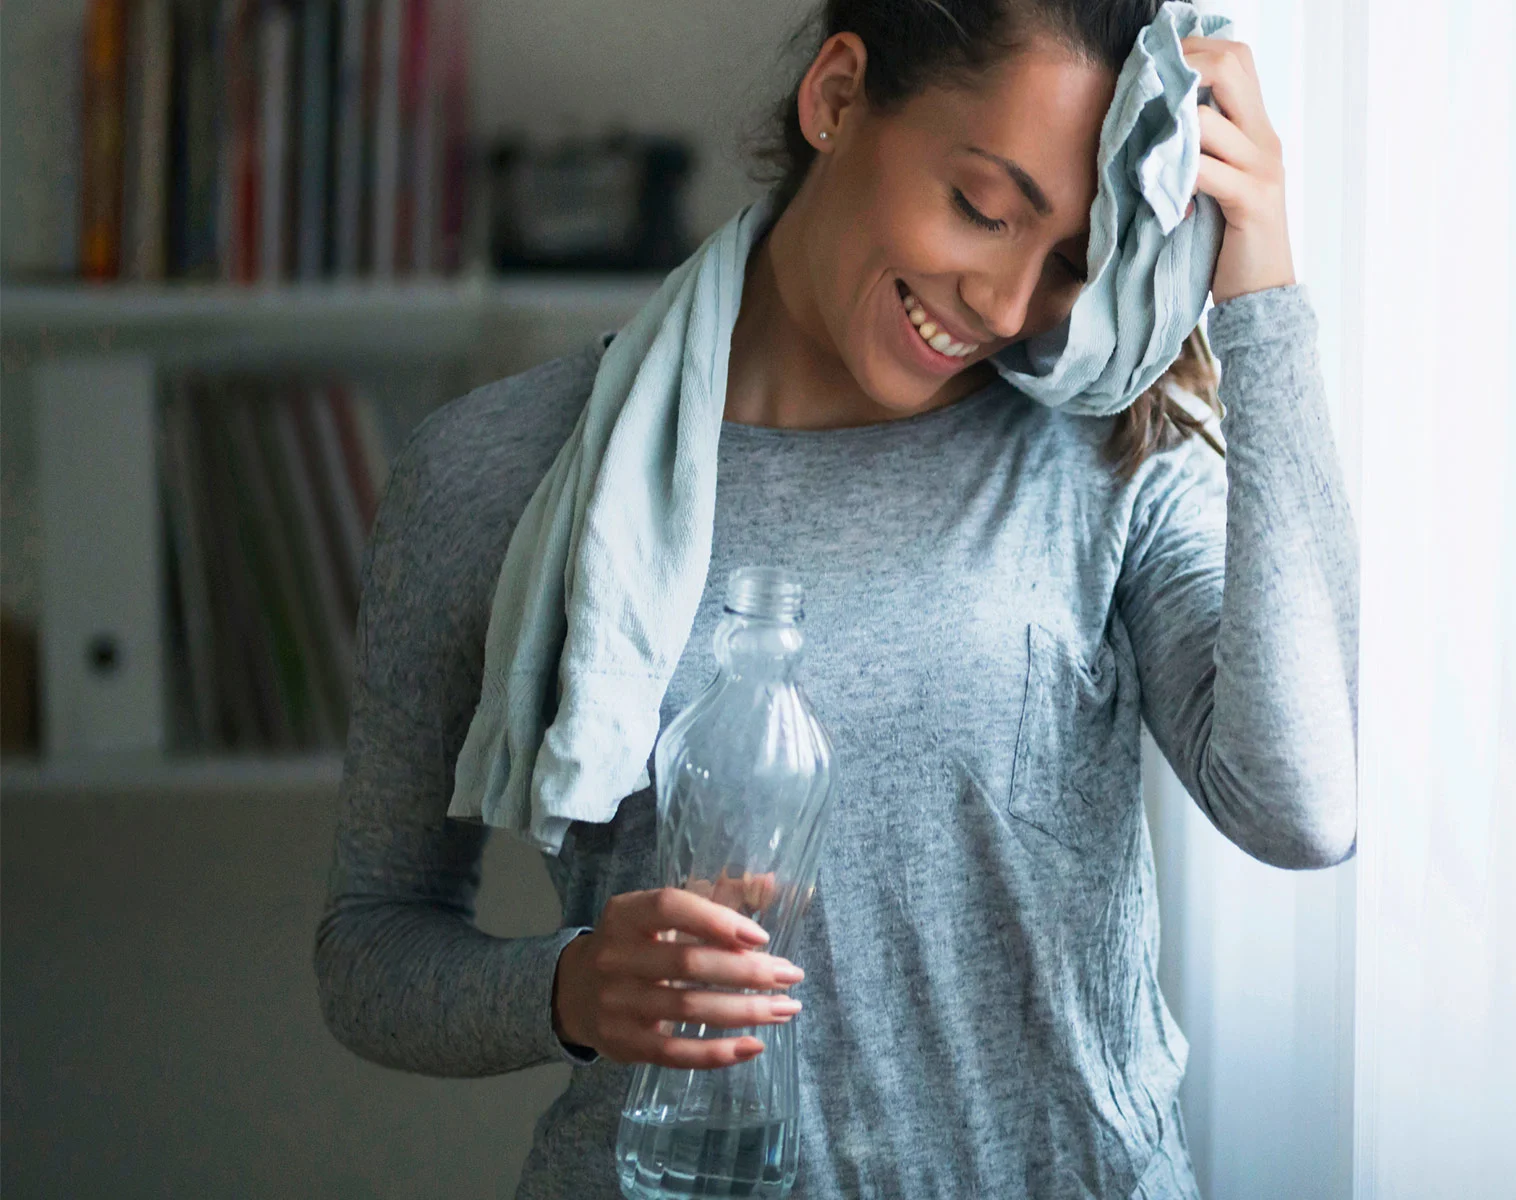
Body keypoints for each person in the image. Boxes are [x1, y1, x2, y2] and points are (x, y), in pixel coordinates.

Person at [312, 1, 1357, 1196]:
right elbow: (371, 949)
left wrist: (1261, 291)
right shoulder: (503, 470)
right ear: (838, 97)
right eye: (982, 207)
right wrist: (567, 989)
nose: (1008, 306)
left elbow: (1303, 807)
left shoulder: (1108, 452)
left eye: (1068, 259)